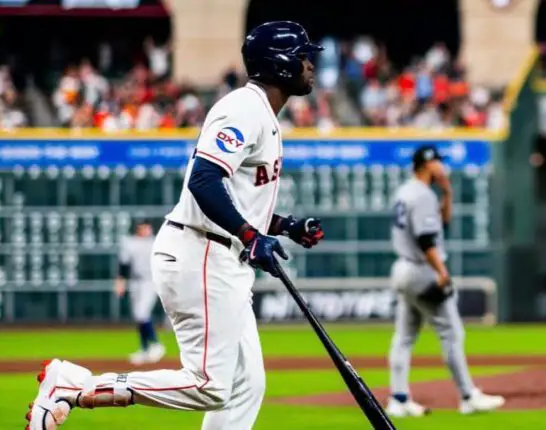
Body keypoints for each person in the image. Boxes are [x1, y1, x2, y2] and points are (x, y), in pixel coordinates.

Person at [26, 21, 325, 430]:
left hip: (219, 254)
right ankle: (75, 388)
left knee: (247, 385)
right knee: (209, 386)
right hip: (202, 253)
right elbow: (204, 180)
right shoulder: (245, 108)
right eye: (304, 56)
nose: (311, 64)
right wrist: (251, 236)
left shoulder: (263, 115)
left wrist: (286, 226)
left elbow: (234, 198)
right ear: (281, 63)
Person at [385, 145, 506, 417]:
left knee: (404, 336)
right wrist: (442, 272)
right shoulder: (423, 195)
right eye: (438, 161)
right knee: (451, 333)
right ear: (427, 164)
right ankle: (468, 396)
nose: (442, 165)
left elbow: (441, 225)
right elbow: (426, 239)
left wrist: (447, 192)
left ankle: (399, 399)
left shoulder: (406, 191)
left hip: (403, 268)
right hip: (421, 269)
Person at [114, 220, 166, 365]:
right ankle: (144, 349)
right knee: (139, 316)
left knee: (141, 313)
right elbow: (123, 264)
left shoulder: (157, 241)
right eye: (142, 228)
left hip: (150, 281)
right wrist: (120, 282)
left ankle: (156, 344)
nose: (145, 230)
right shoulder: (130, 243)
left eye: (147, 228)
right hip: (135, 281)